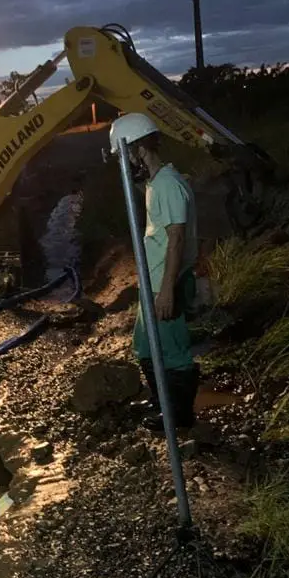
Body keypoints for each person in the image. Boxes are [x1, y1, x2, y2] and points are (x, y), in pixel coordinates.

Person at [109, 113, 200, 429]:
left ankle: (180, 416)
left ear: (136, 148)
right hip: (155, 282)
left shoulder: (168, 185)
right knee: (145, 347)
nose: (123, 162)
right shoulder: (156, 183)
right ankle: (162, 401)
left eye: (124, 155)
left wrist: (167, 289)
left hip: (166, 282)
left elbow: (175, 241)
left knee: (173, 352)